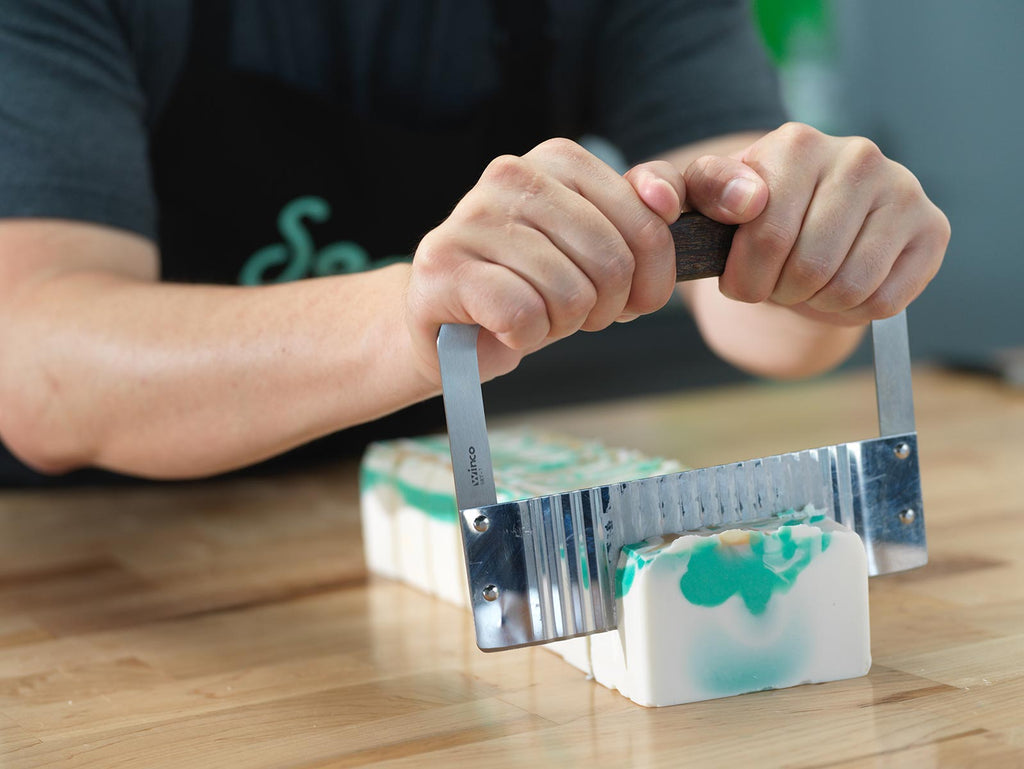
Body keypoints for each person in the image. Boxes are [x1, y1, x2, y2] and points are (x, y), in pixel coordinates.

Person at [0, 1, 948, 483]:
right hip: (86, 566)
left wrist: (820, 239)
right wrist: (415, 315)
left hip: (397, 504)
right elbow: (36, 363)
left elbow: (759, 309)